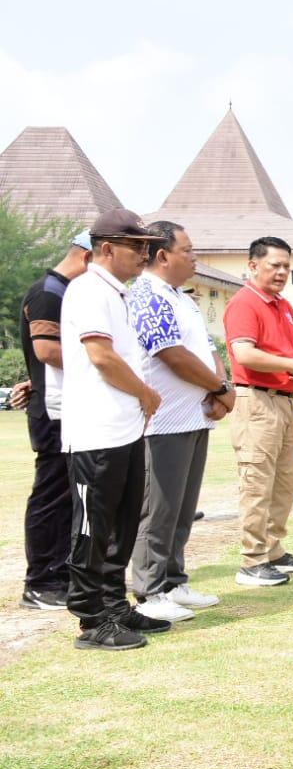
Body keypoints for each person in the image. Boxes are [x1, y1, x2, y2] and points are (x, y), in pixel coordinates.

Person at [59, 209, 167, 650]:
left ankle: (113, 605)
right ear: (106, 248)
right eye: (136, 246)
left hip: (123, 431)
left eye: (146, 246)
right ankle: (90, 619)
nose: (145, 253)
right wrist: (145, 393)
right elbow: (101, 357)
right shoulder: (88, 289)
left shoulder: (116, 293)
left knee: (120, 525)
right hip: (95, 433)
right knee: (92, 528)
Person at [126, 222, 232, 622]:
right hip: (163, 421)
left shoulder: (182, 299)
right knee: (158, 509)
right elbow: (171, 355)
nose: (195, 258)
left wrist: (220, 388)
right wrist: (220, 387)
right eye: (188, 250)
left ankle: (173, 580)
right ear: (162, 255)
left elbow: (206, 349)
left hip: (194, 416)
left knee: (183, 508)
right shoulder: (147, 295)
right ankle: (149, 592)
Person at [223, 237, 293, 587]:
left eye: (286, 266)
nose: (281, 272)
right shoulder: (245, 303)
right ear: (252, 265)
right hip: (257, 401)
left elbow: (289, 349)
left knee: (284, 482)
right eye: (274, 265)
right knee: (257, 481)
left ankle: (274, 549)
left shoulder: (284, 306)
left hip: (286, 400)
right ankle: (252, 560)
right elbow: (245, 355)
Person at [16, 230, 92, 610]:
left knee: (67, 497)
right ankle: (41, 581)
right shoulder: (50, 292)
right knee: (52, 495)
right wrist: (101, 364)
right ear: (88, 257)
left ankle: (61, 572)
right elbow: (46, 350)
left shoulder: (64, 291)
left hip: (68, 409)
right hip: (53, 413)